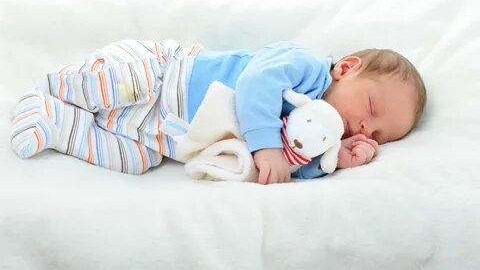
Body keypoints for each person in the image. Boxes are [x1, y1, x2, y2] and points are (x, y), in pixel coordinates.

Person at [10, 39, 426, 184]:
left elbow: (283, 167)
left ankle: (54, 121)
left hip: (164, 134)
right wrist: (265, 146)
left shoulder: (318, 141)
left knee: (137, 160)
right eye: (371, 107)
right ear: (347, 68)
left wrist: (334, 163)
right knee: (117, 84)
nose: (365, 127)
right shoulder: (304, 68)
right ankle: (56, 86)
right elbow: (254, 86)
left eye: (378, 136)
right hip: (164, 75)